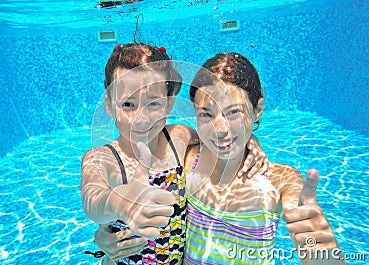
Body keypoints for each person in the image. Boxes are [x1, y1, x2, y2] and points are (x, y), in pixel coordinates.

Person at [94, 52, 344, 264]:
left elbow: (305, 225)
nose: (220, 129)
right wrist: (105, 236)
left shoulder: (279, 181)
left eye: (233, 112)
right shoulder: (186, 160)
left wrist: (323, 250)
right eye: (206, 114)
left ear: (258, 110)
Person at [81, 44, 268, 265]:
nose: (141, 118)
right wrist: (119, 204)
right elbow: (93, 199)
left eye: (153, 104)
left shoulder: (179, 138)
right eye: (128, 104)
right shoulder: (104, 158)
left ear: (169, 103)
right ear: (110, 105)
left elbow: (219, 138)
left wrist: (250, 141)